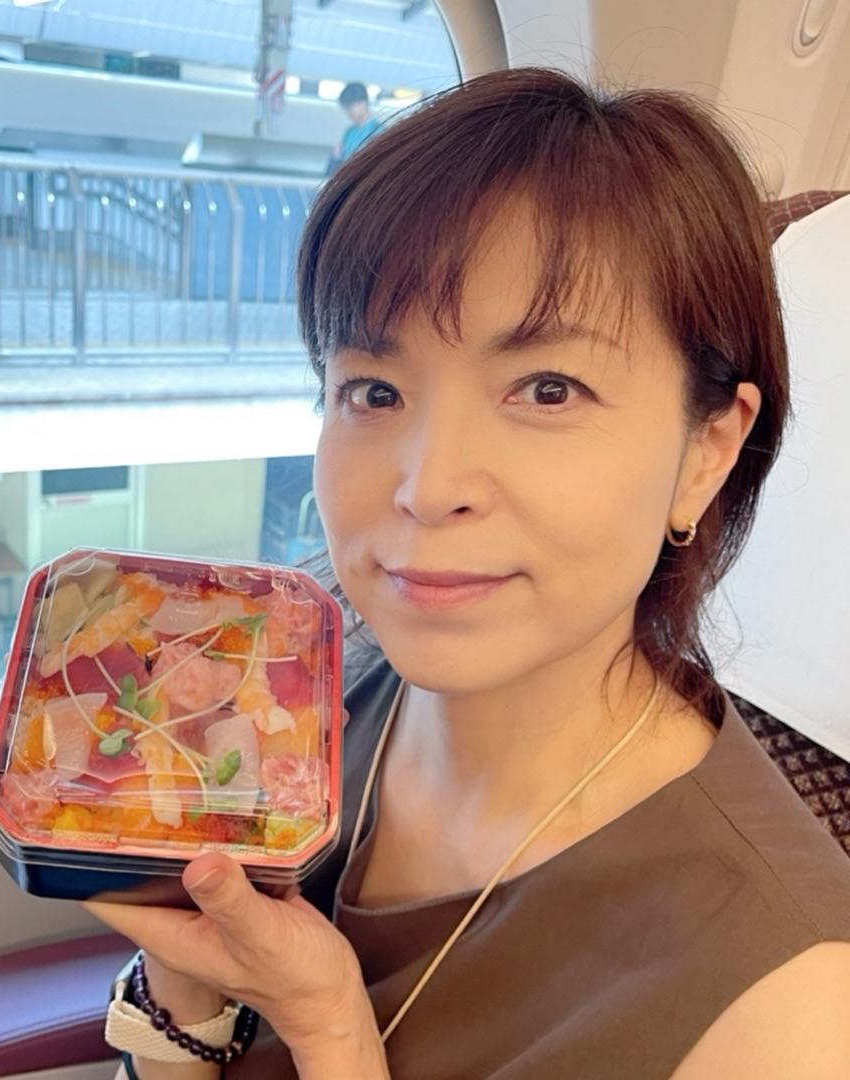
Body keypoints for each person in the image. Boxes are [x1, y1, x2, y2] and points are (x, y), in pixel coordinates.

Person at [85, 68, 850, 1078]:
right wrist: (184, 982)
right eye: (374, 390)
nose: (428, 485)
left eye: (547, 389)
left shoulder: (790, 1013)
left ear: (706, 452)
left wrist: (330, 1031)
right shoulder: (305, 697)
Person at [326, 81, 383, 175]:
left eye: (350, 108)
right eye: (346, 108)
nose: (348, 112)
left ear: (362, 104)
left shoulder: (378, 131)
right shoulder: (350, 132)